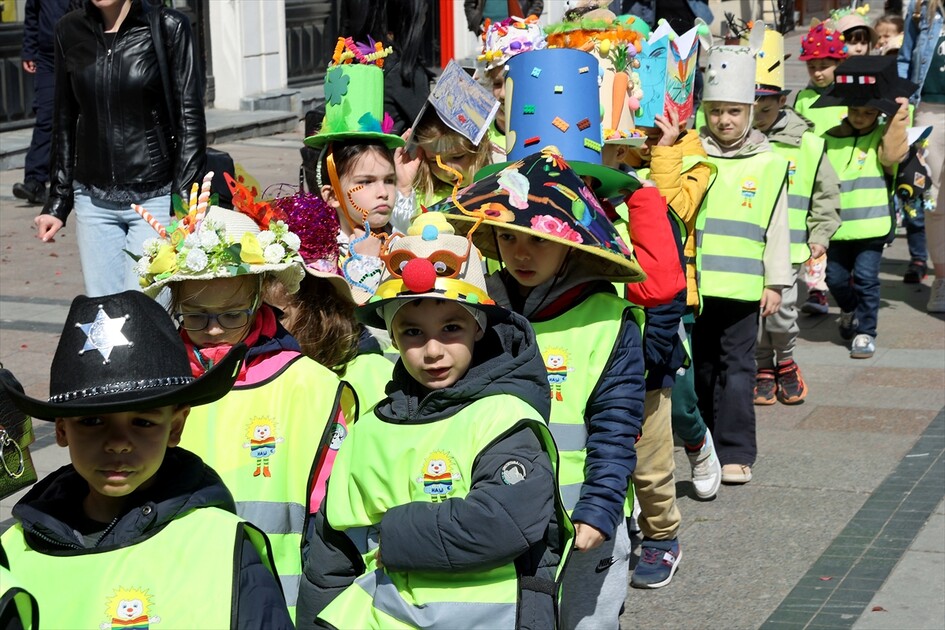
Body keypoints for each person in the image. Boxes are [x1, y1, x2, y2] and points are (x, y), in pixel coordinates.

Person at [299, 213, 571, 629]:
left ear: (478, 328)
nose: (432, 351)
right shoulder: (369, 431)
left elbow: (502, 523)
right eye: (411, 333)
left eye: (450, 328)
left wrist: (386, 533)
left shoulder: (505, 419)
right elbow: (331, 559)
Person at [434, 147, 645, 626]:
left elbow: (617, 426)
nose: (521, 253)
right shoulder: (480, 310)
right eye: (508, 238)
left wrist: (600, 508)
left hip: (581, 519)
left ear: (571, 243)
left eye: (539, 241)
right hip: (498, 515)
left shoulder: (609, 319)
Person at [0, 290, 292, 628]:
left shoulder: (222, 547)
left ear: (176, 427)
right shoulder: (15, 551)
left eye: (143, 422)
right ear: (62, 431)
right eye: (92, 421)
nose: (118, 444)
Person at [134, 183, 355, 621]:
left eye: (232, 315)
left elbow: (331, 517)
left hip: (274, 602)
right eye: (196, 316)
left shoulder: (310, 386)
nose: (214, 330)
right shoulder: (151, 381)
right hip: (173, 597)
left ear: (260, 298)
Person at [34, 0, 206, 298]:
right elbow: (64, 119)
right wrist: (58, 203)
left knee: (147, 315)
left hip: (156, 200)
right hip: (93, 202)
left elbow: (189, 120)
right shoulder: (69, 29)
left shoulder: (168, 27)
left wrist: (183, 205)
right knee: (106, 318)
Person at [695, 23, 792, 484]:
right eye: (715, 112)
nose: (724, 120)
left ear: (750, 111)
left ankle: (736, 452)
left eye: (733, 111)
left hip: (743, 287)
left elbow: (777, 225)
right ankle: (705, 444)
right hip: (696, 285)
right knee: (702, 364)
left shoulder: (771, 162)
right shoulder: (692, 155)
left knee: (738, 368)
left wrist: (776, 281)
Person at [622, 110, 722, 502]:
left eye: (655, 130)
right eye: (641, 130)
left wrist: (665, 151)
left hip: (672, 298)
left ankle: (698, 445)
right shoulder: (616, 162)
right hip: (623, 296)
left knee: (678, 398)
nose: (647, 138)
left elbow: (670, 214)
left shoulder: (696, 159)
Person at [751, 28, 841, 405]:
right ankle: (761, 365)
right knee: (755, 313)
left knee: (782, 312)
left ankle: (785, 360)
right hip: (746, 246)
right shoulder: (735, 141)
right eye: (750, 109)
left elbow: (826, 192)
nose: (757, 118)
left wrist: (821, 232)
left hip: (789, 248)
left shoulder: (808, 143)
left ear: (783, 101)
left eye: (766, 110)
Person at [811, 55, 913, 358]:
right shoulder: (828, 139)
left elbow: (893, 156)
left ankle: (866, 331)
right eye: (855, 111)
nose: (860, 117)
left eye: (869, 112)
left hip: (871, 227)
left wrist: (899, 115)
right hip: (837, 228)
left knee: (867, 279)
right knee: (836, 279)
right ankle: (849, 309)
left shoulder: (882, 139)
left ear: (879, 114)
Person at [265, 186, 395, 411]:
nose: (264, 326)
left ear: (317, 308)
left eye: (278, 314)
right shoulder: (251, 367)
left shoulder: (372, 373)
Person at [305, 39, 407, 304]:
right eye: (366, 182)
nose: (383, 192)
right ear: (331, 195)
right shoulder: (318, 256)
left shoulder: (403, 243)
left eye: (389, 180)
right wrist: (364, 263)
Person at [899, 0, 945, 312]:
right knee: (933, 201)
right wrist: (900, 100)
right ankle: (942, 280)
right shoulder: (922, 8)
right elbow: (905, 59)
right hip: (930, 112)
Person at [11, 0, 73, 206]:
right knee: (47, 116)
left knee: (91, 114)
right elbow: (32, 15)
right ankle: (34, 182)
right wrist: (29, 50)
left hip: (83, 48)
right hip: (48, 57)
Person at [794, 20, 850, 136]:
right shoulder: (802, 98)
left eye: (824, 66)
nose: (817, 73)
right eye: (811, 67)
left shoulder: (849, 95)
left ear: (840, 63)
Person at [465, 0, 544, 34]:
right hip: (488, 30)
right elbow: (469, 4)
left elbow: (537, 2)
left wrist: (529, 19)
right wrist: (478, 26)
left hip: (517, 28)